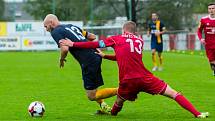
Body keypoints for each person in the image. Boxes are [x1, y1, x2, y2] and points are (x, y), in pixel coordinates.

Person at [60, 21, 209, 118]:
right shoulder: (139, 40)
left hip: (127, 81)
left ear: (123, 29)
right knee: (173, 93)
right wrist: (106, 56)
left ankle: (109, 112)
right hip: (145, 77)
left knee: (117, 107)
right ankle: (198, 114)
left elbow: (94, 44)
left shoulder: (116, 38)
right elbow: (125, 57)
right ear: (134, 31)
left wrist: (74, 44)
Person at [43, 14, 117, 113]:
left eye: (46, 26)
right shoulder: (71, 26)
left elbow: (64, 49)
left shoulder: (55, 31)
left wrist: (61, 59)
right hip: (95, 55)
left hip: (88, 60)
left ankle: (122, 90)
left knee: (91, 95)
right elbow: (92, 36)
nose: (46, 29)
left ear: (51, 23)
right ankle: (103, 107)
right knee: (93, 88)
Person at [197, 3, 215, 76]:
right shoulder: (203, 19)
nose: (211, 10)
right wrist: (201, 39)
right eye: (209, 9)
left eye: (213, 8)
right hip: (209, 45)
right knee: (212, 62)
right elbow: (199, 31)